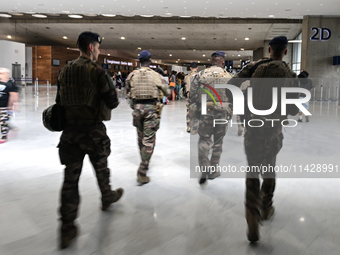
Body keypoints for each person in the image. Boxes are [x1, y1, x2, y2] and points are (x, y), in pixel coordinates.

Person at [228, 36, 299, 242]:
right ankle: (266, 207)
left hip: (253, 125)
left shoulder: (254, 66)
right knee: (269, 166)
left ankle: (252, 215)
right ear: (285, 52)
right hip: (273, 128)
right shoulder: (290, 74)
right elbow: (294, 109)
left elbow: (232, 84)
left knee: (252, 167)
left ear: (269, 50)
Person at [57, 31, 124, 249]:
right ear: (91, 48)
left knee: (70, 180)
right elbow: (112, 102)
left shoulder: (64, 71)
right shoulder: (97, 71)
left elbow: (59, 102)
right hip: (93, 133)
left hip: (70, 134)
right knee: (101, 168)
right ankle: (106, 197)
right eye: (98, 47)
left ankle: (66, 228)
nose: (99, 51)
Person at [126, 50, 170, 184]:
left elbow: (127, 93)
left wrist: (134, 105)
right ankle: (142, 170)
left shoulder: (131, 75)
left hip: (137, 110)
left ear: (139, 61)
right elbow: (167, 92)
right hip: (151, 109)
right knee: (149, 140)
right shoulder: (156, 75)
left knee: (140, 138)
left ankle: (143, 160)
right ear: (150, 61)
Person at [189, 51, 232, 185]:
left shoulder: (201, 75)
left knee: (204, 139)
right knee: (218, 142)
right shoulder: (229, 77)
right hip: (222, 113)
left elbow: (193, 93)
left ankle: (204, 168)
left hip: (205, 112)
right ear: (222, 62)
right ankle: (214, 170)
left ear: (211, 61)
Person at [0, 68, 19, 144]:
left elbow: (14, 95)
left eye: (1, 73)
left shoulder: (10, 84)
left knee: (3, 121)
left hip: (5, 106)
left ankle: (4, 137)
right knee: (3, 120)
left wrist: (12, 105)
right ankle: (11, 128)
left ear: (6, 74)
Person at [184, 62, 198, 133]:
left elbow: (186, 86)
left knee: (189, 111)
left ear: (190, 68)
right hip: (198, 97)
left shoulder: (187, 77)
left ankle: (189, 126)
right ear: (197, 68)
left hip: (189, 96)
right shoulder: (200, 76)